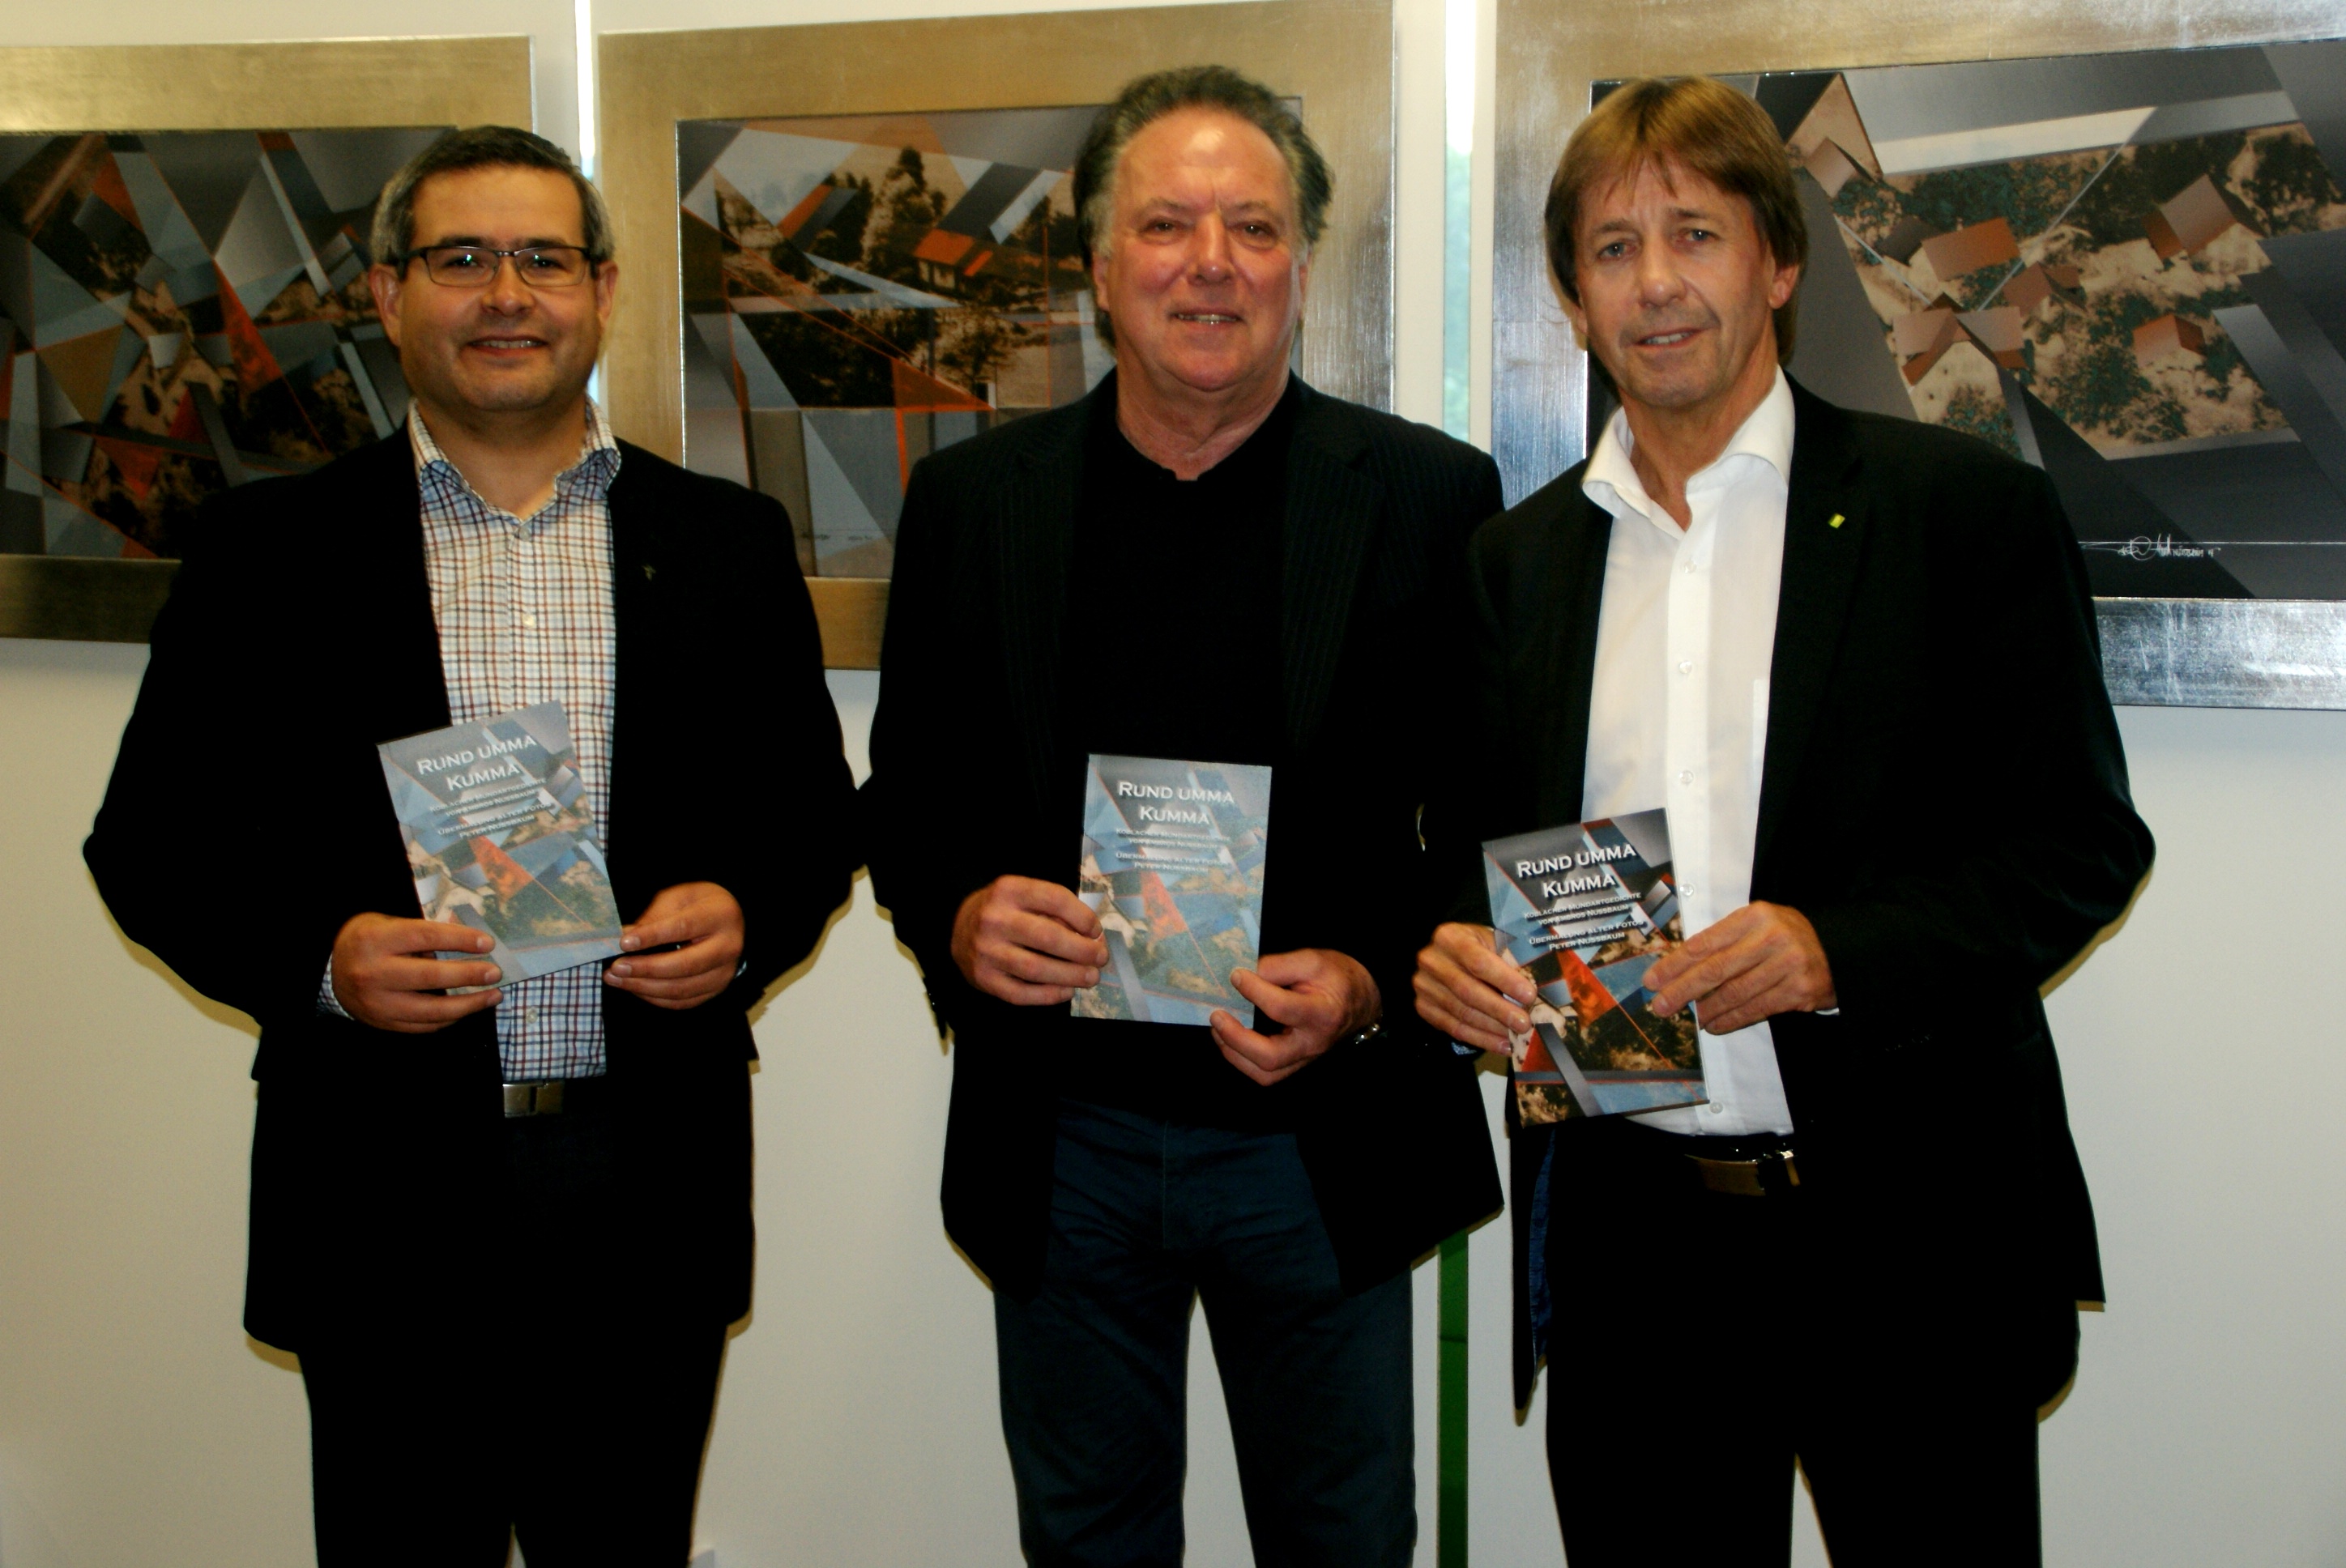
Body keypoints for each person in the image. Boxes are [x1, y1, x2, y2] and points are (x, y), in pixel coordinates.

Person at [83, 126, 857, 1565]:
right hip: (380, 1189)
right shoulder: (266, 550)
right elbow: (149, 844)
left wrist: (747, 912)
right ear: (389, 295)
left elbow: (812, 819)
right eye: (462, 258)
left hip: (642, 1181)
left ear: (600, 290)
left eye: (542, 259)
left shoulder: (727, 542)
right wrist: (322, 964)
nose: (507, 293)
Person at [1411, 76, 2154, 1567]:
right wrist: (1450, 963)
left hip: (1907, 1233)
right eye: (1613, 247)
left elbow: (2081, 845)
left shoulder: (1959, 512)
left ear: (1781, 264)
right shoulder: (1518, 564)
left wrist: (1835, 952)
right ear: (1573, 299)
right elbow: (1471, 860)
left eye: (1696, 232)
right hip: (1633, 1253)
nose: (1656, 281)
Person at [861, 66, 1504, 1568]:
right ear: (1099, 268)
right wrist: (960, 909)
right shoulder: (975, 504)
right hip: (1062, 1135)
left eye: (1253, 228)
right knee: (1087, 1539)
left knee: (1344, 1541)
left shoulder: (1427, 496)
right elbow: (908, 799)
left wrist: (1369, 982)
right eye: (1166, 225)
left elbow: (1487, 818)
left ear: (1299, 266)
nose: (1211, 263)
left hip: (1321, 1137)